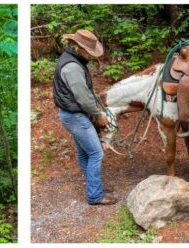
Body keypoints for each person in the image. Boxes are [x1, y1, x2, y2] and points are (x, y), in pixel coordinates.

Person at [52, 29, 116, 205]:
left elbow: (84, 91)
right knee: (96, 153)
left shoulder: (74, 60)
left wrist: (95, 100)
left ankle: (94, 187)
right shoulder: (72, 67)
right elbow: (81, 97)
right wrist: (97, 114)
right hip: (75, 116)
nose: (91, 55)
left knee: (84, 153)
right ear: (79, 47)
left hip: (72, 115)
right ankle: (95, 195)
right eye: (90, 51)